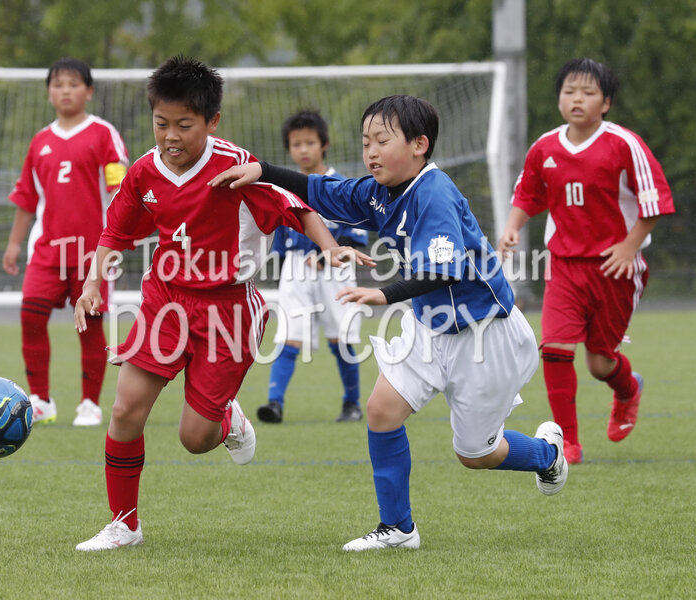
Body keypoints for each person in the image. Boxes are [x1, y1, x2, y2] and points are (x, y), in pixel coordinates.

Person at [210, 94, 568, 552]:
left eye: (382, 140)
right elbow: (322, 191)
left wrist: (383, 294)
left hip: (483, 333)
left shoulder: (434, 192)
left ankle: (546, 454)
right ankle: (398, 528)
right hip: (428, 327)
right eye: (366, 142)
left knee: (476, 453)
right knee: (381, 412)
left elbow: (444, 271)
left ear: (420, 145)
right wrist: (262, 170)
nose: (371, 152)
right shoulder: (380, 192)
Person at [72, 55, 373, 552]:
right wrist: (90, 284)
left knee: (194, 439)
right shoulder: (145, 171)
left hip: (228, 310)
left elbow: (297, 208)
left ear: (212, 121)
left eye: (184, 125)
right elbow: (115, 231)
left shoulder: (238, 167)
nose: (170, 136)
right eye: (161, 123)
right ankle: (124, 524)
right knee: (125, 410)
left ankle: (227, 419)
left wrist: (331, 247)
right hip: (165, 299)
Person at [497, 57, 675, 465]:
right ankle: (569, 443)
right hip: (563, 265)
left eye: (588, 92)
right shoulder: (545, 147)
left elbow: (655, 202)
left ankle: (628, 389)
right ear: (559, 98)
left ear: (605, 102)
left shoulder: (625, 144)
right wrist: (512, 227)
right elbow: (527, 194)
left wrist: (629, 246)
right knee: (555, 349)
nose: (577, 99)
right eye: (569, 91)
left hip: (615, 268)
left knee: (599, 362)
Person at [3, 58, 129, 427]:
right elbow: (27, 198)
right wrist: (14, 244)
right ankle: (40, 400)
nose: (66, 91)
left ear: (89, 91)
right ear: (48, 93)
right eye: (58, 85)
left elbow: (120, 190)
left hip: (93, 253)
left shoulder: (104, 134)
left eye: (74, 84)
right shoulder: (40, 141)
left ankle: (90, 404)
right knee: (31, 316)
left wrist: (119, 241)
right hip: (46, 250)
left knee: (89, 323)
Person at [260, 110, 369, 424]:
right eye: (296, 144)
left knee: (341, 338)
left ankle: (352, 404)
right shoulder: (284, 188)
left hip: (335, 270)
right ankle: (274, 404)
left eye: (310, 142)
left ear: (324, 145)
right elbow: (281, 237)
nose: (303, 150)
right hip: (296, 269)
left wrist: (325, 255)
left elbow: (356, 236)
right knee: (289, 334)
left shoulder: (341, 185)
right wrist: (285, 272)